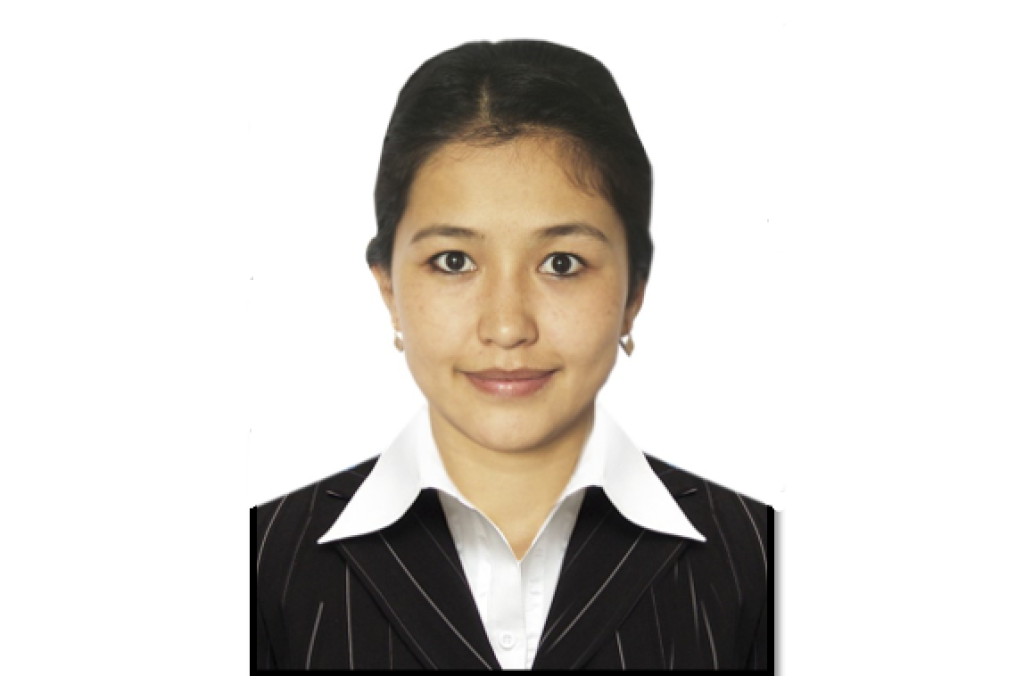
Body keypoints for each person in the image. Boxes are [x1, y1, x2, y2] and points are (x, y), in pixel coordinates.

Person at [253, 39, 771, 670]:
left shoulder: (759, 561)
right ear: (389, 288)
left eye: (562, 263)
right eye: (453, 261)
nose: (506, 327)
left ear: (634, 292)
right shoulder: (263, 565)